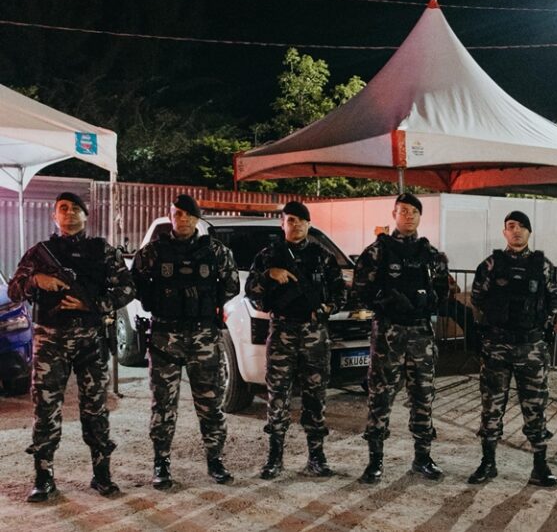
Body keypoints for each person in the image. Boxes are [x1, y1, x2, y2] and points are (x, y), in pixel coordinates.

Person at [8, 192, 135, 502]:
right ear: (54, 216)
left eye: (75, 208)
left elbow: (127, 289)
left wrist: (93, 304)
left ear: (85, 216)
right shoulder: (40, 253)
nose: (69, 213)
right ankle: (43, 477)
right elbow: (14, 290)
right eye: (62, 208)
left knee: (96, 409)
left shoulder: (103, 251)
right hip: (50, 340)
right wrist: (36, 280)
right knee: (45, 408)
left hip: (90, 338)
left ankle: (101, 474)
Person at [131, 194, 239, 490]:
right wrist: (157, 299)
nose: (182, 219)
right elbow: (134, 283)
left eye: (188, 214)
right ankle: (161, 463)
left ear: (196, 219)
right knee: (163, 405)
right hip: (165, 337)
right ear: (171, 216)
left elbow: (231, 285)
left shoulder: (216, 252)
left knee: (210, 403)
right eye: (177, 213)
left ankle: (215, 460)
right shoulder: (153, 252)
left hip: (203, 336)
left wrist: (204, 303)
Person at [245, 200, 346, 480]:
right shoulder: (268, 256)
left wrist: (327, 308)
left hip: (314, 333)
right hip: (282, 332)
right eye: (290, 220)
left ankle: (316, 457)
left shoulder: (323, 256)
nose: (296, 225)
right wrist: (269, 275)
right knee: (278, 395)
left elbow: (340, 292)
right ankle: (274, 458)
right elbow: (251, 291)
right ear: (282, 224)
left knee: (316, 395)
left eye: (301, 220)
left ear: (309, 224)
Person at [353, 193, 450, 484]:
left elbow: (443, 291)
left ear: (420, 217)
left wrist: (426, 302)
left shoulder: (431, 255)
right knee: (380, 396)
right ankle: (375, 461)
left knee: (423, 396)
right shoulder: (377, 251)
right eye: (403, 211)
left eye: (414, 212)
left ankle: (423, 458)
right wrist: (386, 301)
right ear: (394, 214)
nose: (408, 216)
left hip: (420, 335)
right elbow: (360, 289)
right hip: (388, 334)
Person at [468, 210, 557, 487]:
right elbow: (477, 298)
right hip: (497, 347)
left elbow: (555, 300)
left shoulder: (543, 266)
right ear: (504, 232)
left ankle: (540, 466)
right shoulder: (491, 265)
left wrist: (539, 324)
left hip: (531, 347)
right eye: (511, 226)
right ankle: (488, 462)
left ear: (529, 232)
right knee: (492, 406)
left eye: (522, 226)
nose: (516, 230)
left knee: (535, 407)